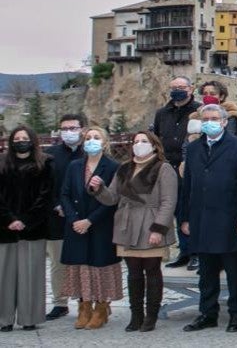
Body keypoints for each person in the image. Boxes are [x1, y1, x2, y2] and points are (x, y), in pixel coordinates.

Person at [89, 131, 177, 333]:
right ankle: (136, 314)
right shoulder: (124, 168)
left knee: (152, 270)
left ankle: (151, 316)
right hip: (127, 224)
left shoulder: (163, 168)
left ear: (154, 146)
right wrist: (99, 188)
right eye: (136, 141)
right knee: (134, 272)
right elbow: (112, 198)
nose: (139, 144)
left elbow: (168, 201)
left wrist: (158, 229)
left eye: (144, 141)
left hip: (151, 222)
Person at [180, 103, 237, 333]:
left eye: (215, 118)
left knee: (234, 271)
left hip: (230, 218)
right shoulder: (193, 149)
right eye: (206, 119)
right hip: (201, 218)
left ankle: (236, 313)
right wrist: (185, 218)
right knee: (207, 271)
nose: (210, 122)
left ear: (224, 122)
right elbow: (188, 187)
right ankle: (207, 313)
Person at [61, 125, 121, 330]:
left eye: (96, 137)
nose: (91, 141)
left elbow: (113, 200)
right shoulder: (75, 166)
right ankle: (83, 306)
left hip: (101, 224)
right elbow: (65, 194)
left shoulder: (113, 166)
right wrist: (74, 219)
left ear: (104, 143)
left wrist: (90, 221)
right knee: (80, 267)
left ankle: (102, 307)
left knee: (100, 267)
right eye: (88, 138)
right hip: (76, 225)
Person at [0, 126, 54, 331]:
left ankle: (29, 317)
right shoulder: (2, 162)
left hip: (34, 228)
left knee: (31, 274)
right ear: (11, 141)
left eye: (25, 138)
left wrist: (26, 220)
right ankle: (4, 319)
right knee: (3, 275)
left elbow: (46, 195)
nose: (21, 141)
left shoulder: (45, 163)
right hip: (4, 228)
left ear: (33, 140)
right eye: (17, 138)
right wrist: (10, 219)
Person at [150, 75, 200, 268]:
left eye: (181, 86)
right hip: (167, 167)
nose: (177, 90)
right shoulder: (162, 113)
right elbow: (156, 137)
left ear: (191, 88)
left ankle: (196, 252)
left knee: (192, 208)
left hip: (190, 166)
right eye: (174, 87)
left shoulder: (198, 110)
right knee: (177, 208)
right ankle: (184, 251)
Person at [43, 113, 87, 321]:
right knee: (58, 263)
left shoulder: (90, 152)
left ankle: (84, 300)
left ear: (82, 129)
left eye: (73, 128)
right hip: (57, 217)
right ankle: (60, 303)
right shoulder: (50, 155)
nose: (69, 132)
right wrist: (56, 205)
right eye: (65, 128)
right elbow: (44, 186)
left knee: (82, 261)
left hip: (83, 218)